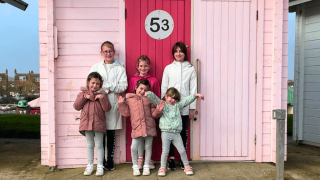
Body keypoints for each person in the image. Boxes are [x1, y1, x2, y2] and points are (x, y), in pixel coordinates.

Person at [145, 88, 204, 176]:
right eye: (171, 98)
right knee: (165, 151)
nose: (173, 100)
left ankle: (187, 166)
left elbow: (186, 101)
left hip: (176, 133)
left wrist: (195, 96)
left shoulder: (177, 105)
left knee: (182, 150)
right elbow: (154, 98)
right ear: (166, 96)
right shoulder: (163, 104)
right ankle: (162, 167)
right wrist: (148, 94)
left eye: (175, 99)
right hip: (166, 132)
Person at [89, 41, 128, 171]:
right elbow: (91, 83)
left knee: (111, 131)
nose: (108, 53)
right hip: (98, 103)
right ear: (101, 53)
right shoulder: (95, 67)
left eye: (110, 51)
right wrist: (103, 89)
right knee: (100, 131)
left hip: (113, 102)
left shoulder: (120, 68)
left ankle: (109, 159)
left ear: (114, 52)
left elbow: (123, 85)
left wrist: (109, 87)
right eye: (105, 51)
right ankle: (101, 160)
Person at [161, 42, 197, 170]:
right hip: (169, 107)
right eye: (176, 51)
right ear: (173, 54)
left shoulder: (190, 68)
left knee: (183, 133)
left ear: (184, 53)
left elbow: (193, 89)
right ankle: (171, 158)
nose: (178, 53)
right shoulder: (168, 68)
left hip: (185, 107)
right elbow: (164, 87)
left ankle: (183, 159)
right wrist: (162, 104)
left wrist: (192, 107)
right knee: (169, 132)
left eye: (180, 51)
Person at [118, 79, 164, 176]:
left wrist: (158, 110)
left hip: (149, 126)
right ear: (136, 87)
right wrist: (121, 104)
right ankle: (135, 166)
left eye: (145, 90)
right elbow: (126, 113)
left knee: (148, 147)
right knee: (133, 147)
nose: (142, 91)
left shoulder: (149, 99)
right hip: (137, 127)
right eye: (141, 88)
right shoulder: (130, 99)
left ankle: (146, 166)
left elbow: (153, 114)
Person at [73, 72, 112, 177]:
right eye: (93, 83)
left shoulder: (103, 94)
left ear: (101, 85)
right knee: (90, 145)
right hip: (87, 124)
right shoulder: (82, 94)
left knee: (99, 145)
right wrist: (84, 97)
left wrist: (102, 98)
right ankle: (89, 165)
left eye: (97, 83)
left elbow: (107, 108)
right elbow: (76, 106)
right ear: (88, 83)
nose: (95, 85)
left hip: (99, 124)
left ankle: (100, 166)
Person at [127, 55, 160, 170]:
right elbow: (130, 94)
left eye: (145, 66)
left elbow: (156, 97)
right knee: (139, 135)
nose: (143, 68)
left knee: (148, 136)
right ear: (137, 67)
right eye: (141, 66)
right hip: (137, 113)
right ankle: (140, 159)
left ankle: (148, 160)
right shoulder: (133, 79)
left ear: (149, 67)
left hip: (148, 111)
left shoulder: (154, 80)